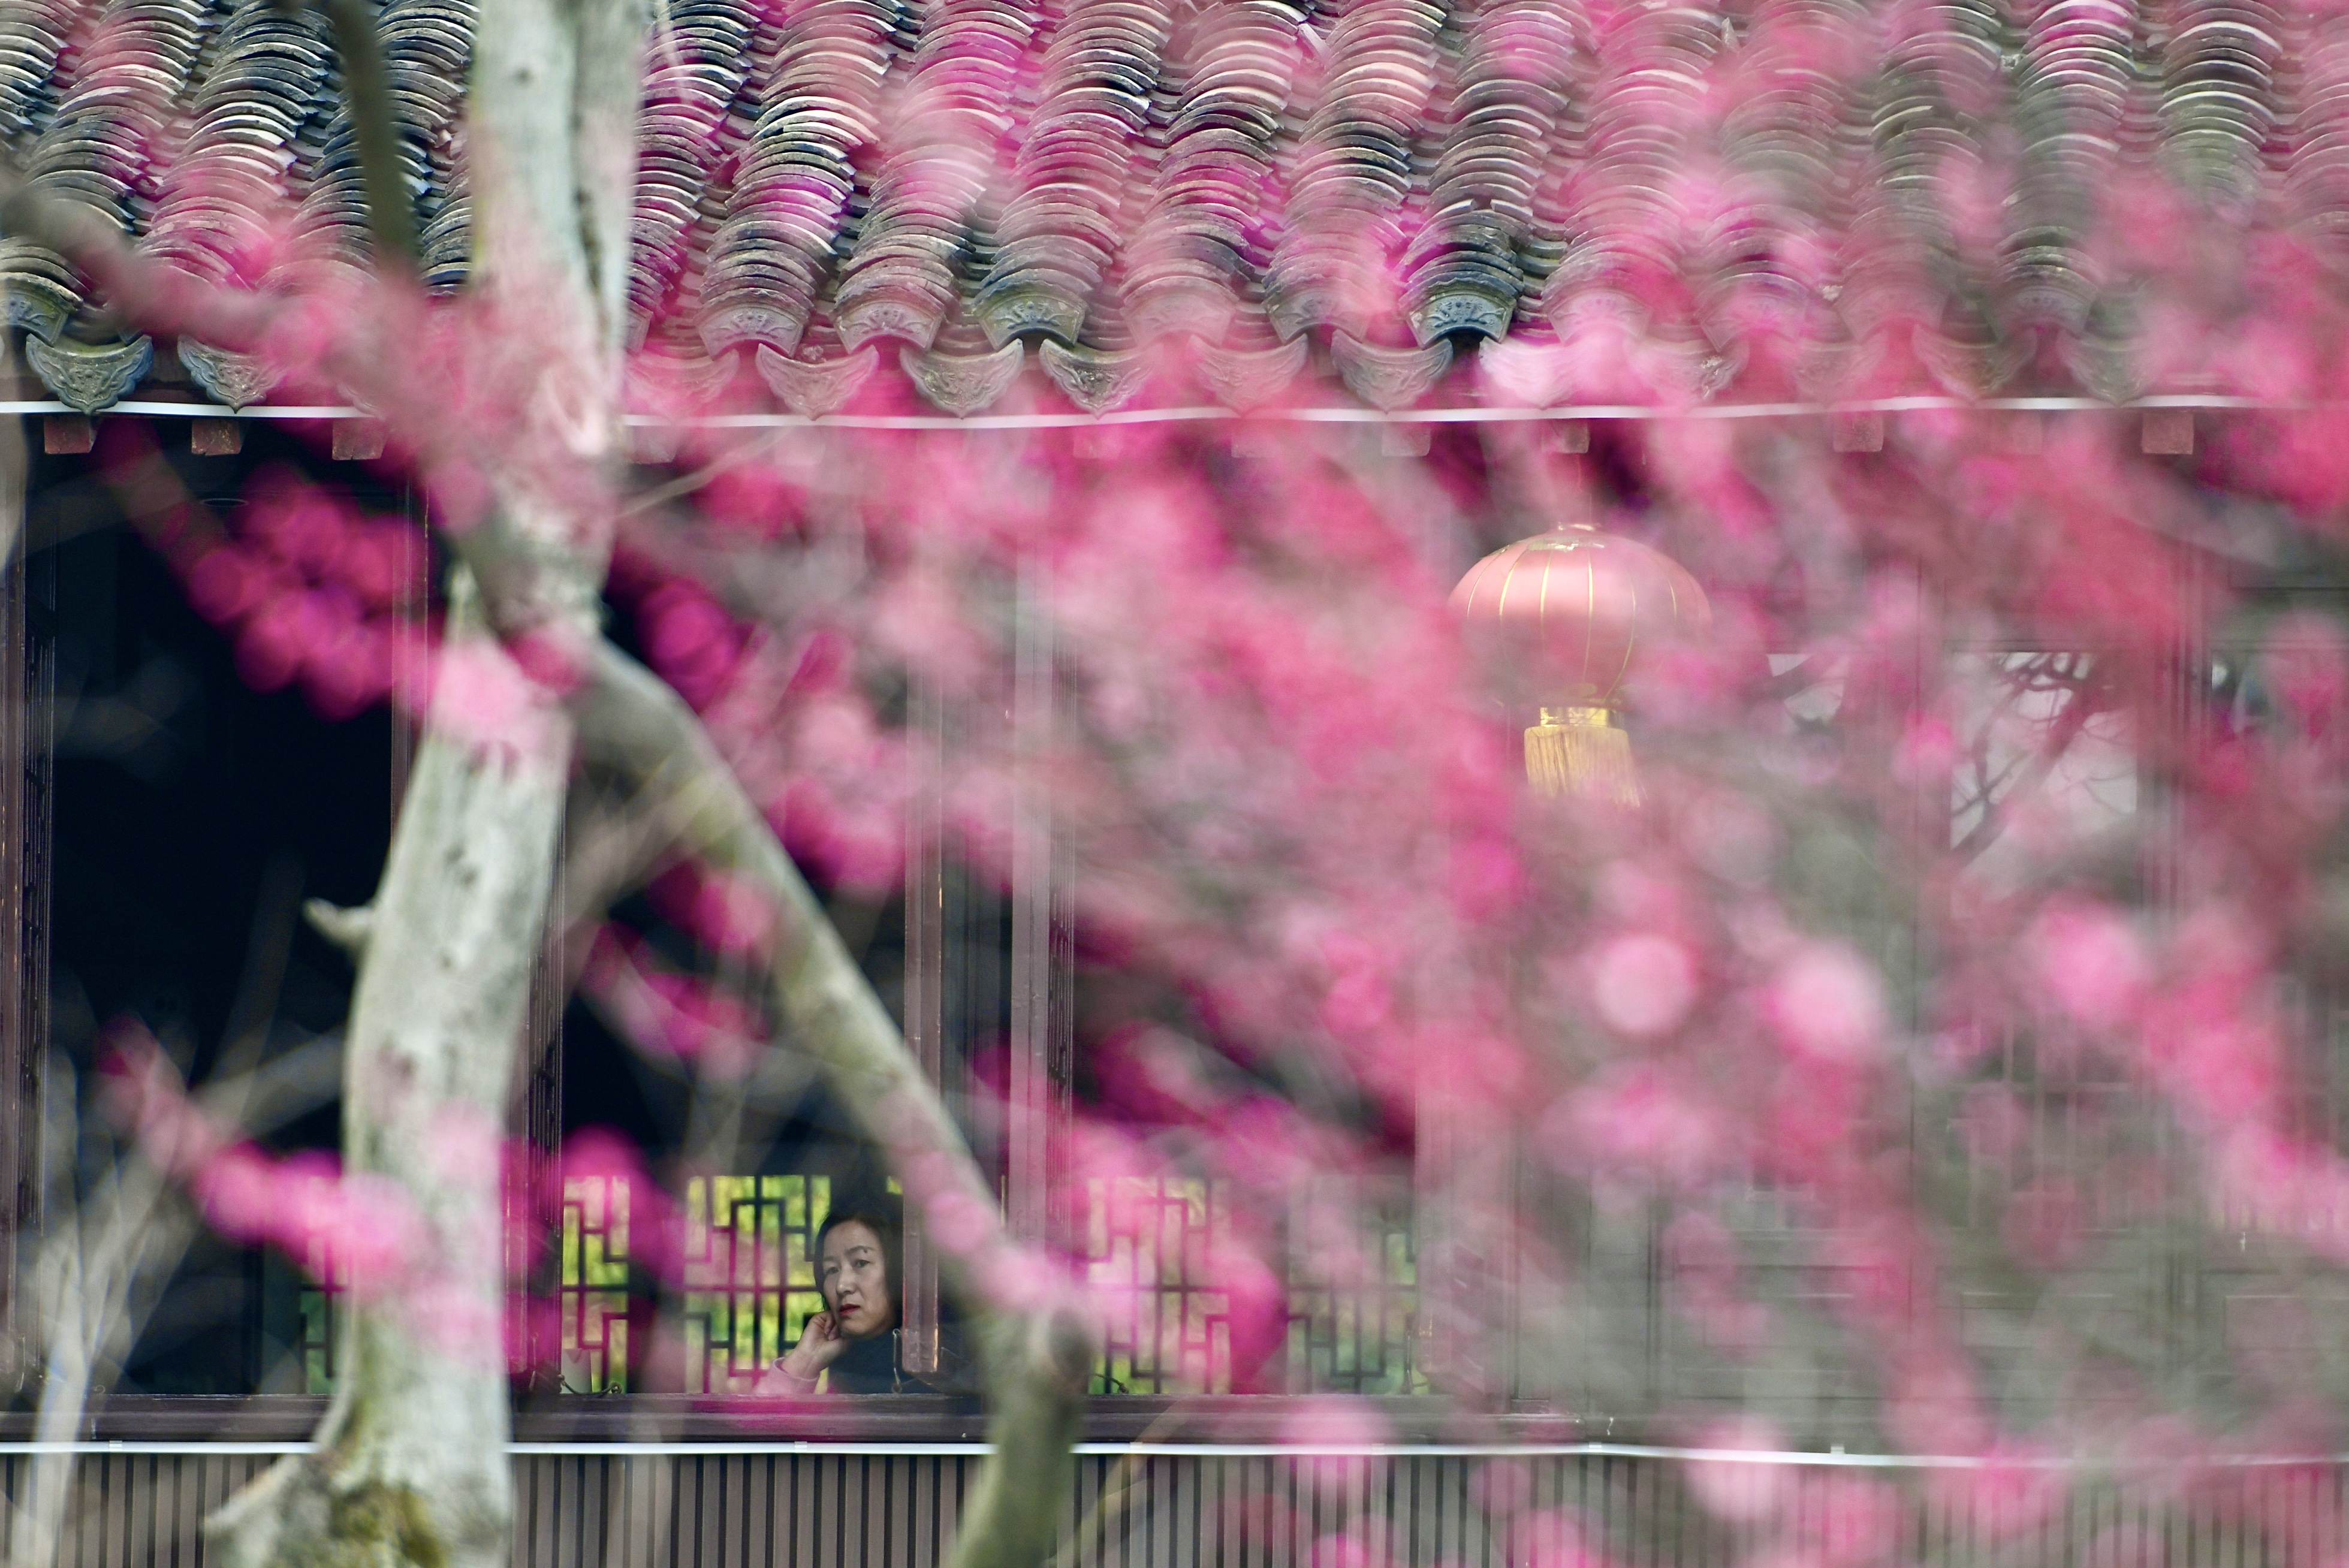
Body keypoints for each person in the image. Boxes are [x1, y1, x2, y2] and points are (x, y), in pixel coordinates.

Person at [770, 1199, 936, 1395]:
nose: (842, 1286)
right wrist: (805, 1360)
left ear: (900, 1271)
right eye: (831, 1270)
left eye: (860, 1263)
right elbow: (754, 1424)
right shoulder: (844, 1371)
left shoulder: (942, 1367)